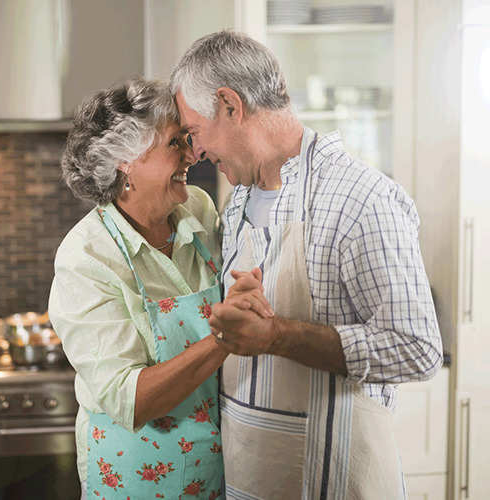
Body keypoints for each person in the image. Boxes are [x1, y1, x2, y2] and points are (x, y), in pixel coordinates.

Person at [169, 30, 443, 499]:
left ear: (230, 105)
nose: (195, 153)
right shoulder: (238, 202)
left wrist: (278, 336)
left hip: (339, 479)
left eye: (194, 132)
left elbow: (418, 349)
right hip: (254, 477)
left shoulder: (361, 198)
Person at [49, 77, 270, 499]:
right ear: (125, 162)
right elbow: (130, 401)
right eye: (174, 143)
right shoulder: (86, 258)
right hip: (137, 478)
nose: (193, 153)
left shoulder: (198, 210)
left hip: (219, 469)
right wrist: (225, 338)